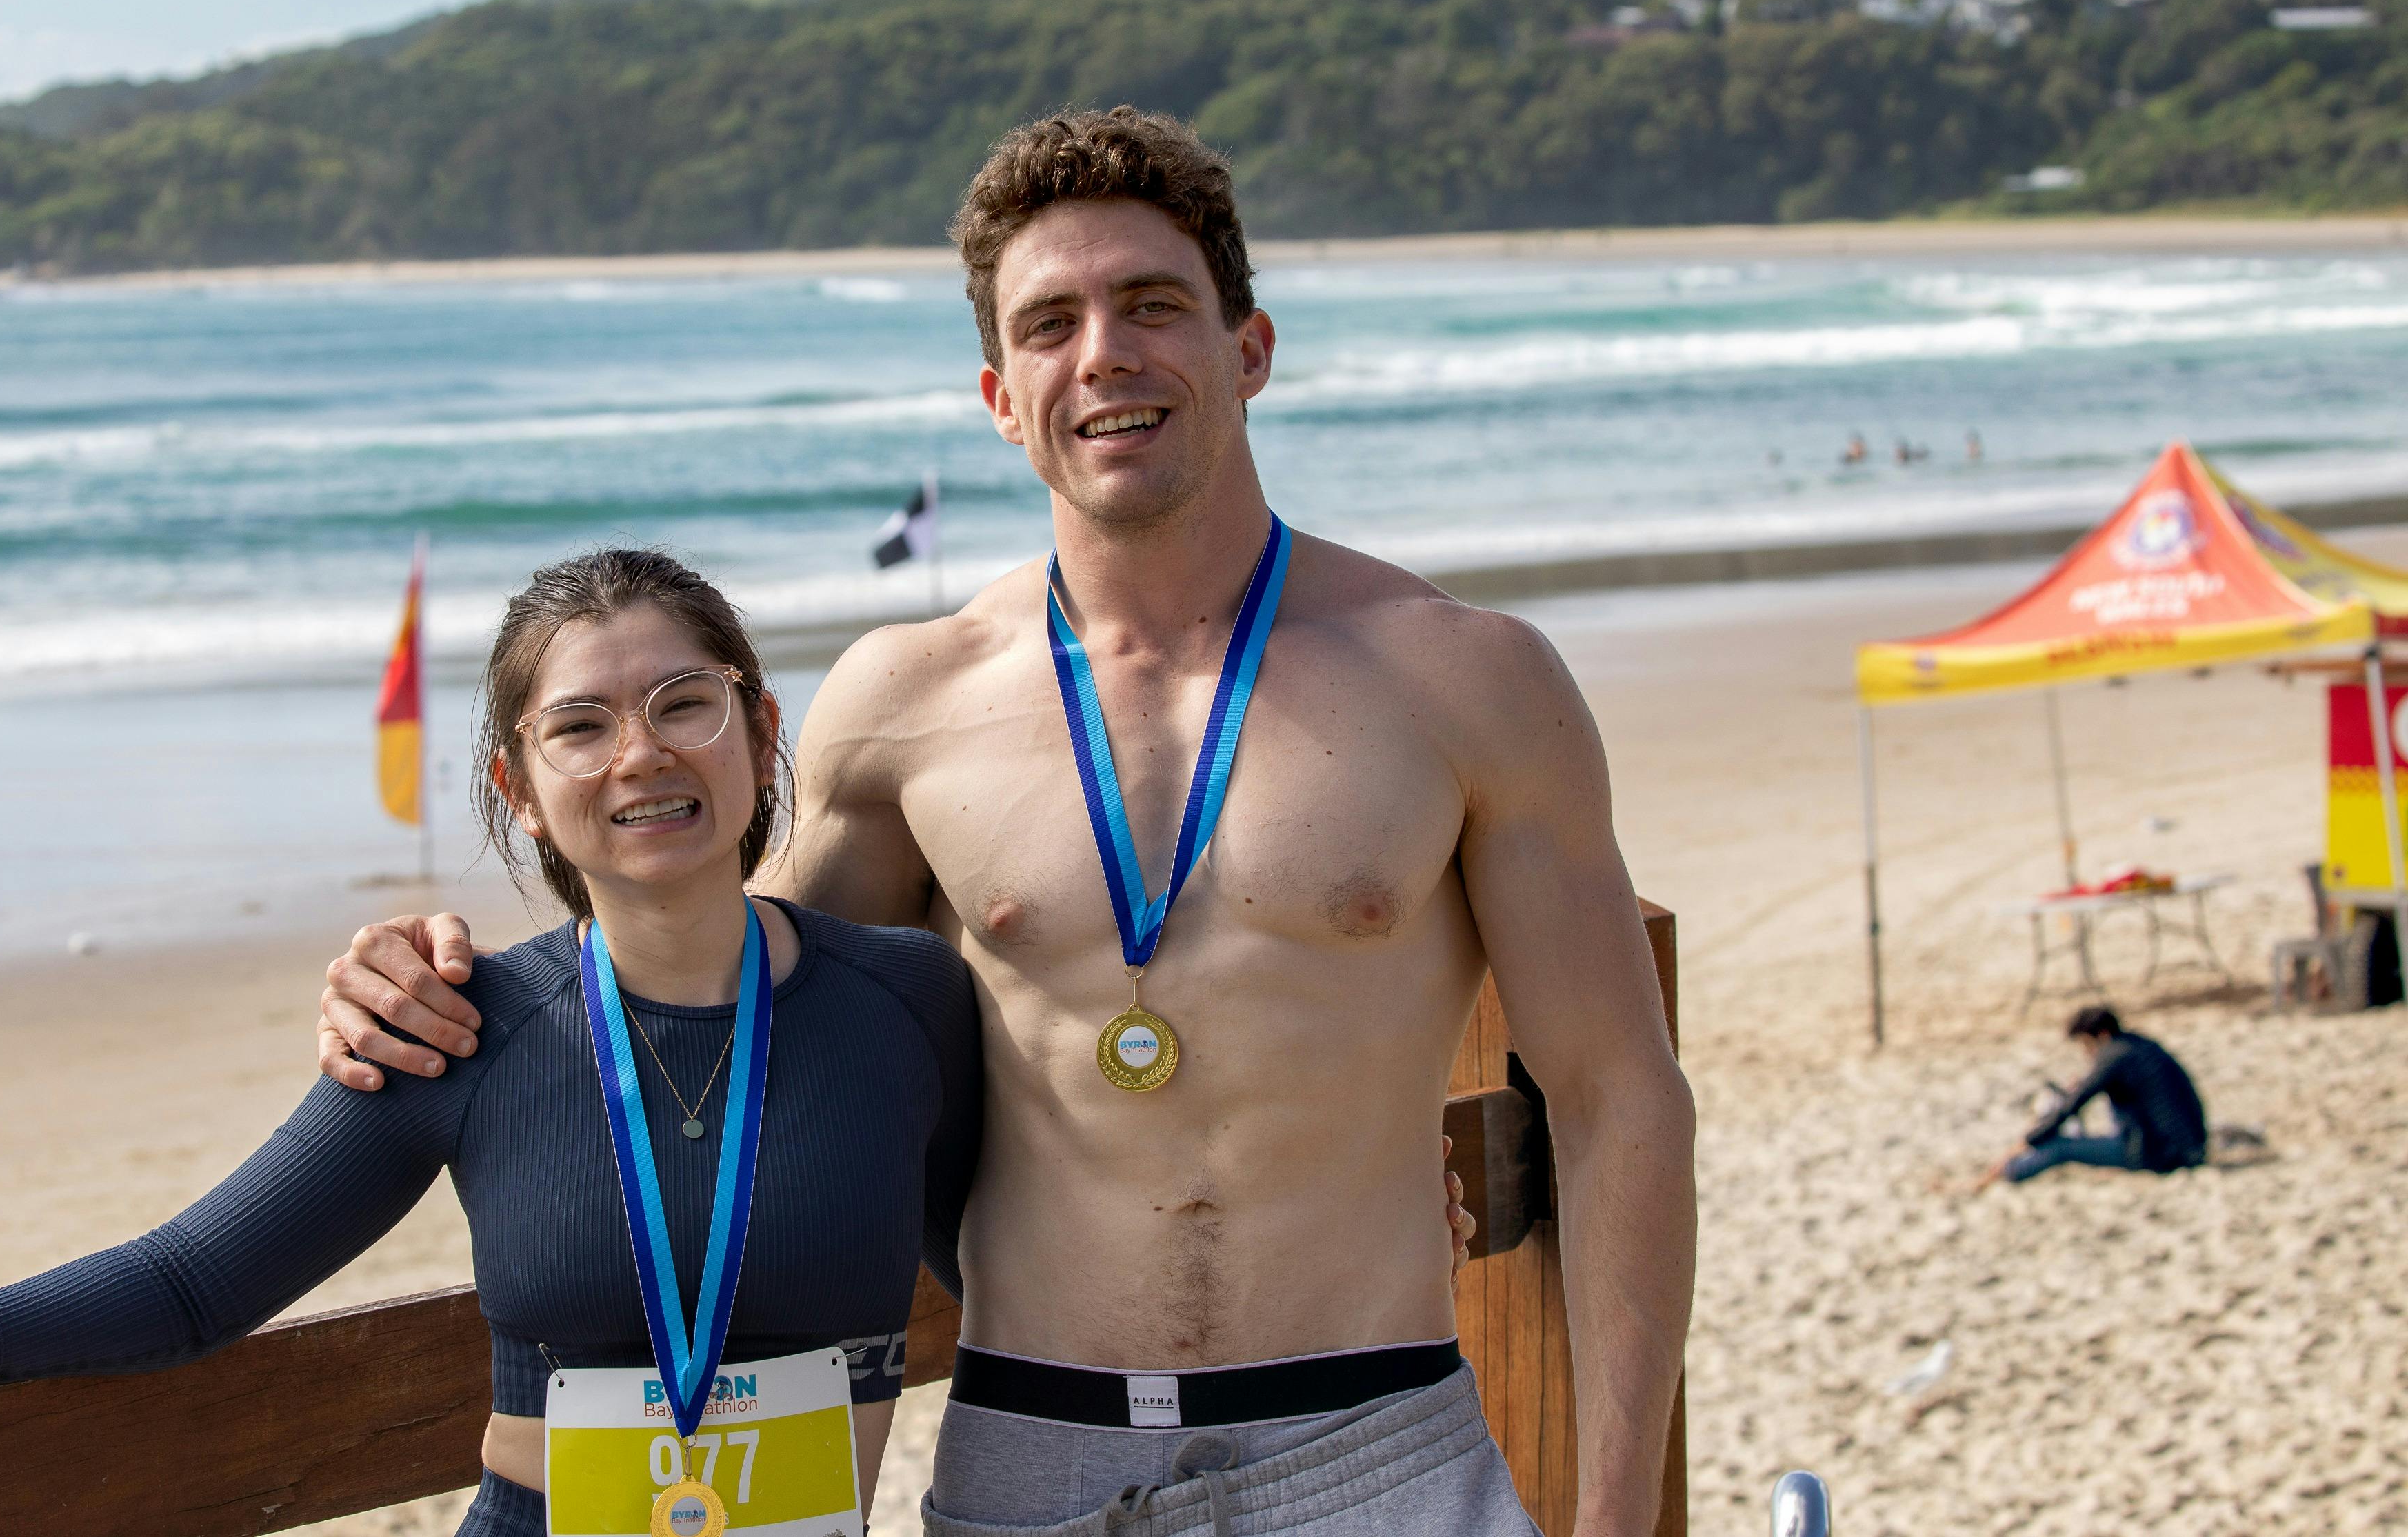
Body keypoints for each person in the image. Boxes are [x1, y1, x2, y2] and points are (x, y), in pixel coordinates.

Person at [322, 108, 1697, 1535]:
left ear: (1249, 348)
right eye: (1050, 324)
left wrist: (1613, 1517)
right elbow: (720, 1022)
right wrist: (426, 986)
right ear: (999, 394)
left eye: (1151, 304)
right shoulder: (904, 704)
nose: (1102, 353)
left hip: (1378, 1443)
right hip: (1035, 1464)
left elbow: (1618, 1096)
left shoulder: (1464, 680)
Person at [0, 549, 983, 1536]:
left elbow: (1005, 1259)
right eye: (580, 725)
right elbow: (197, 1278)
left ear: (760, 731)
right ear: (519, 789)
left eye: (684, 702)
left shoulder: (906, 999)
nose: (641, 753)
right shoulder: (460, 1024)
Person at [1980, 1006, 2208, 1189]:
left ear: (2102, 1035)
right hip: (2189, 1146)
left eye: (2086, 1044)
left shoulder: (2113, 1056)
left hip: (2160, 1154)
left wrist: (2029, 1140)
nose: (2086, 1052)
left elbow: (2071, 1107)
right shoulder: (2136, 1045)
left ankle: (2008, 1173)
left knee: (2061, 1147)